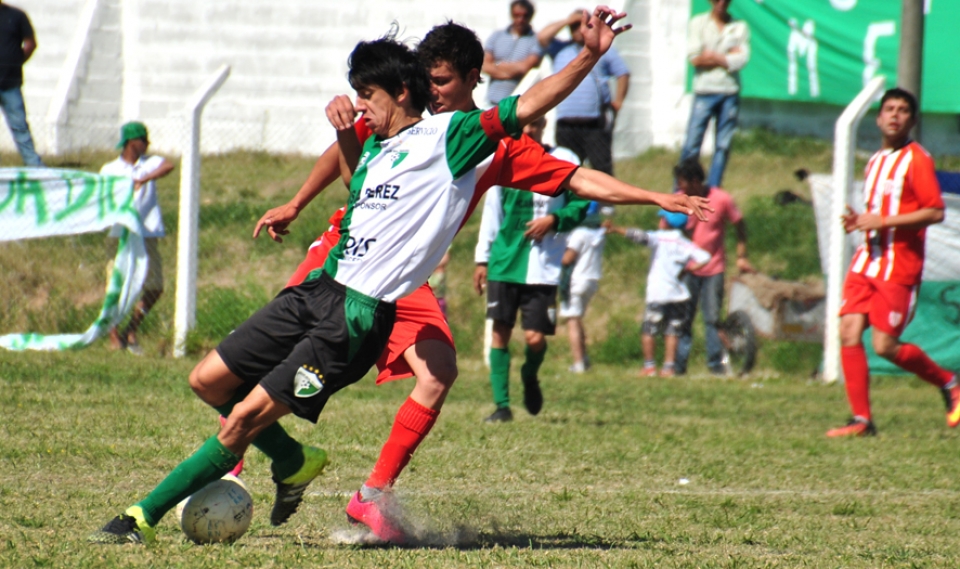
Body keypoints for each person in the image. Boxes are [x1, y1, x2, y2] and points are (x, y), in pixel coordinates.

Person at [89, 9, 703, 547]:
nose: (432, 92)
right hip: (325, 278)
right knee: (208, 380)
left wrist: (643, 173)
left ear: (469, 79)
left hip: (371, 300)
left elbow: (550, 136)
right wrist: (311, 184)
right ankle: (293, 460)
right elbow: (353, 174)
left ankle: (146, 514)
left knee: (286, 407)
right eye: (426, 80)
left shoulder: (465, 137)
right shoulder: (386, 138)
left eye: (441, 81)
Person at [827, 87, 959, 438]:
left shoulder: (917, 160)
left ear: (912, 120)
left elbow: (935, 211)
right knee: (848, 331)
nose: (895, 115)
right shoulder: (875, 161)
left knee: (884, 345)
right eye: (889, 109)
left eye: (903, 110)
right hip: (867, 260)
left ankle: (948, 382)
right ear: (879, 117)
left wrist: (883, 222)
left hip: (898, 266)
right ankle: (862, 420)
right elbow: (879, 211)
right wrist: (860, 222)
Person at [474, 116, 588, 423]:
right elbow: (492, 212)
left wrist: (554, 220)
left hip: (544, 266)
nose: (528, 130)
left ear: (544, 124)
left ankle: (529, 375)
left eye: (535, 124)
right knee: (500, 333)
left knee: (535, 338)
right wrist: (482, 259)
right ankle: (502, 406)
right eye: (524, 124)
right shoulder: (502, 157)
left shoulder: (564, 158)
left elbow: (581, 203)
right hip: (504, 263)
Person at [671, 158, 753, 376]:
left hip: (714, 269)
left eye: (683, 182)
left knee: (712, 318)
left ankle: (716, 364)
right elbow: (665, 227)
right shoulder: (679, 201)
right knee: (683, 318)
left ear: (695, 181)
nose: (680, 187)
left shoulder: (721, 199)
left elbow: (739, 224)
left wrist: (741, 254)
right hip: (687, 269)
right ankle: (678, 365)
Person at [100, 121, 175, 355]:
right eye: (143, 140)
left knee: (155, 287)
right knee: (115, 285)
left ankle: (131, 330)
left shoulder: (149, 164)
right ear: (132, 142)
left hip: (146, 233)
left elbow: (168, 166)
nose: (147, 144)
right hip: (120, 234)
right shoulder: (110, 170)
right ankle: (114, 336)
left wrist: (144, 178)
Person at [606, 211, 710, 377]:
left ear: (667, 222)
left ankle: (649, 366)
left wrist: (617, 229)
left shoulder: (660, 238)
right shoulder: (684, 242)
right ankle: (669, 367)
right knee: (672, 332)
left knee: (649, 330)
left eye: (663, 218)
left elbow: (639, 236)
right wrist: (688, 269)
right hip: (679, 294)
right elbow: (705, 257)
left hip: (658, 293)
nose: (660, 220)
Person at [537, 9, 629, 175]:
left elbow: (622, 73)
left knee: (602, 169)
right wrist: (567, 20)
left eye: (582, 26)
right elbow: (542, 37)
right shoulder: (560, 49)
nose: (578, 30)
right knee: (564, 171)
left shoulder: (603, 48)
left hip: (595, 123)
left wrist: (619, 101)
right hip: (566, 123)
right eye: (574, 27)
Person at [680, 0, 750, 189]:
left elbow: (742, 59)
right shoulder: (699, 23)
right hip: (705, 90)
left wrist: (713, 56)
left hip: (729, 91)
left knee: (723, 146)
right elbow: (695, 58)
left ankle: (713, 191)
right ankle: (683, 189)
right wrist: (727, 58)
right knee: (692, 144)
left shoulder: (739, 26)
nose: (721, 3)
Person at [559, 202, 606, 373]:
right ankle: (584, 359)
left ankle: (578, 363)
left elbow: (567, 259)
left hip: (576, 280)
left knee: (572, 321)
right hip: (592, 279)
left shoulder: (579, 234)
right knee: (578, 319)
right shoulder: (599, 233)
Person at [0, 1, 42, 166]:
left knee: (20, 127)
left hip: (11, 83)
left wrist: (16, 62)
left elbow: (30, 43)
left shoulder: (17, 16)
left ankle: (34, 166)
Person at [482, 0, 543, 106]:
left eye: (525, 16)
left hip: (516, 105)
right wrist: (511, 71)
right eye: (516, 15)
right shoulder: (497, 36)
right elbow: (484, 66)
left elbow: (525, 67)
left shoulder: (535, 40)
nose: (520, 20)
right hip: (491, 102)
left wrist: (497, 65)